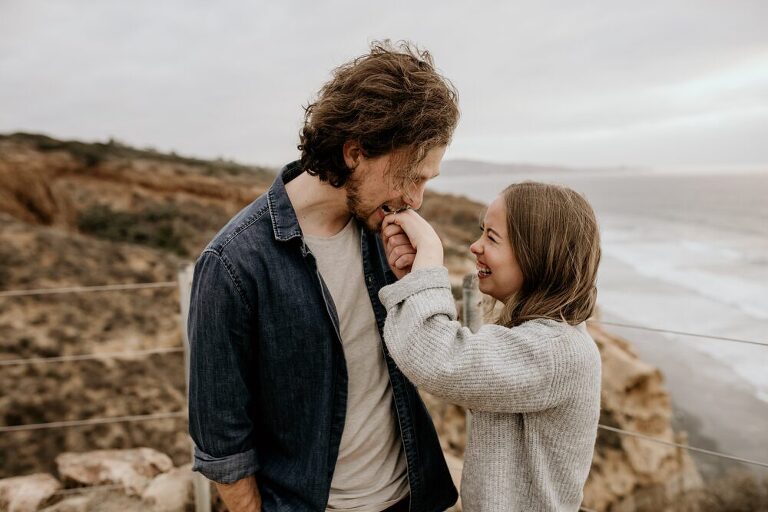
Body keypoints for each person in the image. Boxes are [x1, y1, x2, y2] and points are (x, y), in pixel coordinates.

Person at [186, 41, 460, 512]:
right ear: (355, 152)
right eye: (410, 177)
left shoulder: (388, 236)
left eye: (426, 181)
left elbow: (438, 361)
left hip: (413, 497)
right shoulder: (233, 265)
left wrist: (417, 283)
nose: (415, 199)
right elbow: (222, 446)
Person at [379, 182, 602, 511]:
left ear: (537, 257)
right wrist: (414, 279)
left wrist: (429, 256)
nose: (474, 246)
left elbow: (438, 357)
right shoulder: (536, 336)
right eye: (481, 232)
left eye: (492, 238)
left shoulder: (558, 351)